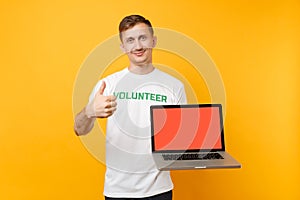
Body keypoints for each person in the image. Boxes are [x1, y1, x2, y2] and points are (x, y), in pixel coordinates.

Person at [74, 14, 187, 200]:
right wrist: (89, 112)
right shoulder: (107, 85)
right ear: (123, 47)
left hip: (159, 189)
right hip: (117, 190)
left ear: (154, 40)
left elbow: (182, 140)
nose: (138, 46)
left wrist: (201, 150)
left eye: (143, 38)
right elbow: (79, 129)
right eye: (130, 40)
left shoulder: (174, 86)